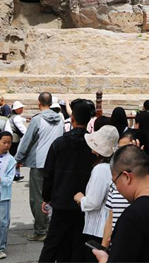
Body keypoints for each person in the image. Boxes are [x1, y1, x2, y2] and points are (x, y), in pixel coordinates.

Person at [40, 101, 95, 263]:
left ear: (72, 119)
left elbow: (48, 173)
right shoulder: (92, 146)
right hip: (82, 203)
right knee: (78, 243)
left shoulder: (59, 143)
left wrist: (46, 197)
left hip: (61, 200)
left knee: (52, 243)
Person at [15, 92, 64, 242]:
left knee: (37, 198)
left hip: (39, 162)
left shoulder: (37, 120)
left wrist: (18, 158)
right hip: (56, 163)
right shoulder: (60, 120)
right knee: (52, 196)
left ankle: (41, 230)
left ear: (39, 102)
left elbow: (27, 140)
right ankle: (51, 226)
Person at [75, 125, 118, 257]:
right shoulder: (115, 166)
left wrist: (80, 198)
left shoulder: (100, 170)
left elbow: (93, 202)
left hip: (99, 228)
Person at [101, 133, 139, 248]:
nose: (121, 153)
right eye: (119, 148)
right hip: (118, 245)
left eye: (126, 148)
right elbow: (110, 219)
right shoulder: (115, 183)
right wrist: (103, 248)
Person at [7, 100, 27, 181]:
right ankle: (15, 175)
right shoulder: (16, 118)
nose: (22, 110)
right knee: (15, 157)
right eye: (20, 108)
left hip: (12, 139)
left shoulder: (11, 116)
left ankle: (14, 174)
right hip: (15, 139)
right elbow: (23, 130)